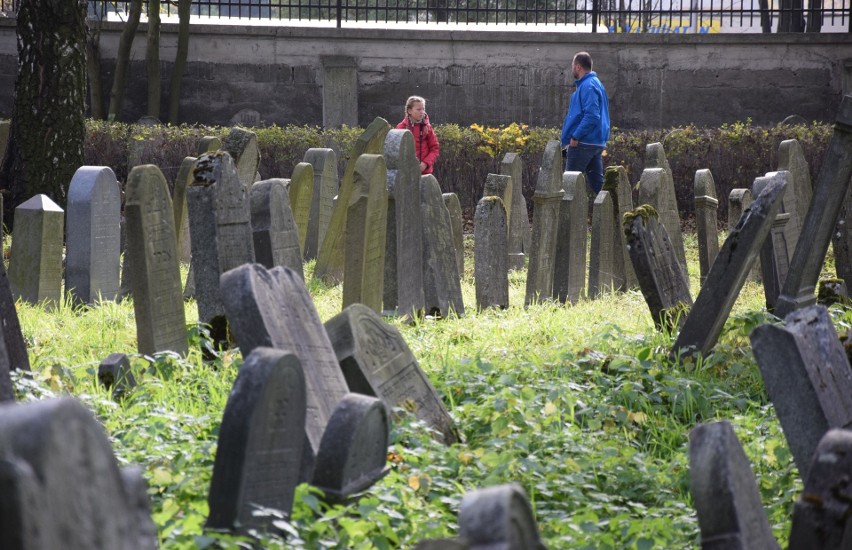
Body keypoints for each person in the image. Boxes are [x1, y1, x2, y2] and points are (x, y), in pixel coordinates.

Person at [560, 52, 610, 195]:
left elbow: (592, 116)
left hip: (583, 143)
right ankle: (616, 213)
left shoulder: (587, 86)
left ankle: (566, 217)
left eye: (572, 66)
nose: (572, 69)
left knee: (568, 187)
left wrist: (575, 137)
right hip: (595, 142)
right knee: (599, 187)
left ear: (578, 67)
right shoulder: (596, 84)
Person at [397, 95, 440, 175]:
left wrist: (425, 163)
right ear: (409, 111)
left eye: (423, 109)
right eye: (418, 109)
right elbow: (396, 151)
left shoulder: (427, 127)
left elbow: (435, 149)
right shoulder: (401, 128)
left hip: (425, 173)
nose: (422, 112)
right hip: (406, 174)